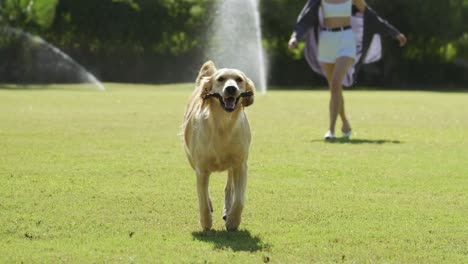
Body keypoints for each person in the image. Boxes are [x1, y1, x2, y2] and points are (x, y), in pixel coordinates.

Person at [288, 0, 407, 139]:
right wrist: (295, 36)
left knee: (335, 82)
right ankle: (345, 123)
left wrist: (394, 33)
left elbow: (372, 17)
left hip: (345, 39)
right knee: (335, 88)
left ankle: (331, 130)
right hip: (326, 41)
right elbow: (306, 18)